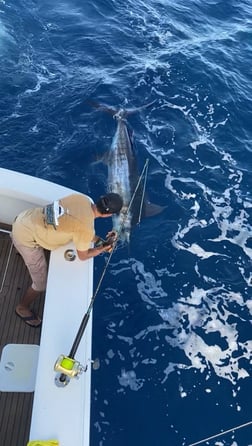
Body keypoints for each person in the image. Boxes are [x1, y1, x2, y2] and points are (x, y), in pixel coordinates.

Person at [11, 192, 123, 327]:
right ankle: (22, 308)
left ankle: (20, 250)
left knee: (22, 238)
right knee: (40, 284)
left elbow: (75, 222)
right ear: (108, 214)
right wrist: (101, 249)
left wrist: (99, 240)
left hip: (23, 219)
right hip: (25, 238)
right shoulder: (85, 229)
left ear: (100, 199)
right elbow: (83, 255)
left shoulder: (81, 199)